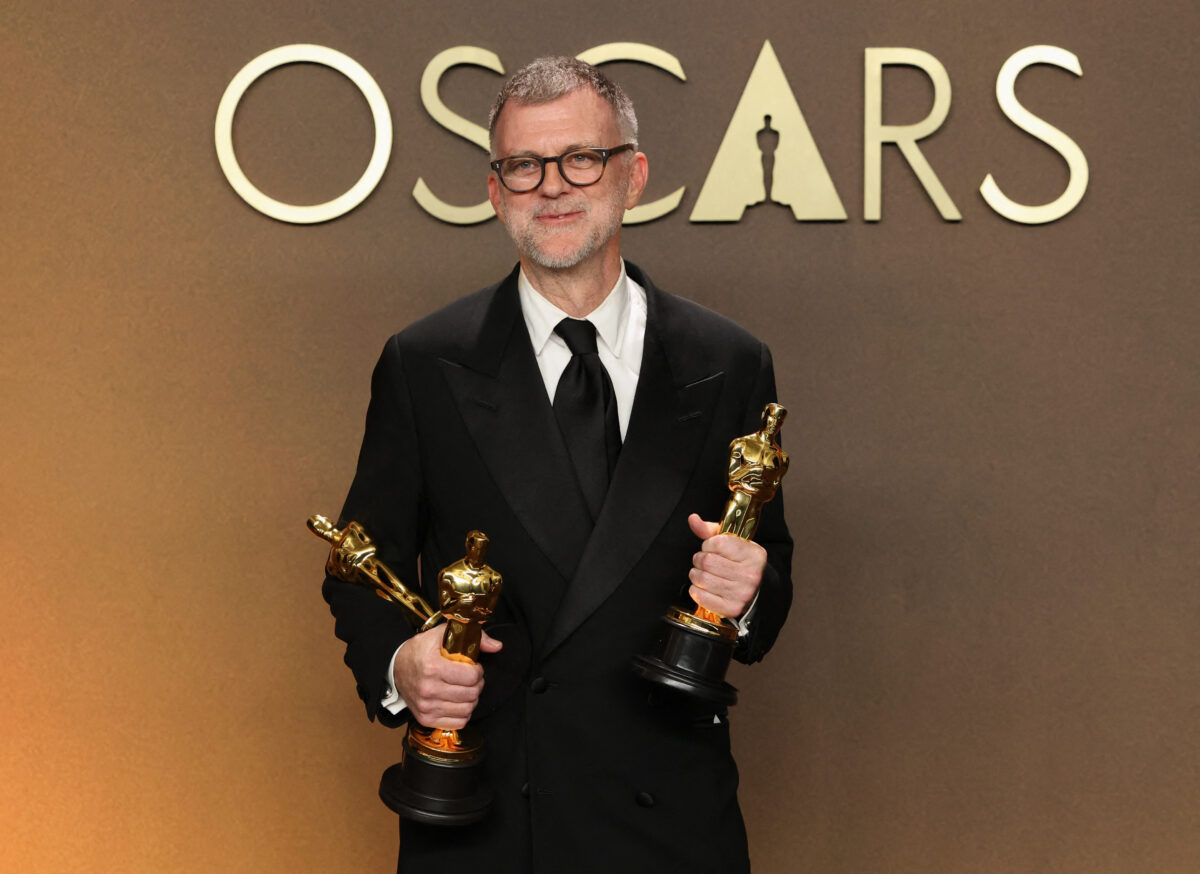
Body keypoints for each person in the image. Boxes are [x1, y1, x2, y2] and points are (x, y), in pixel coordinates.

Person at [322, 56, 793, 874]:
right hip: (493, 826)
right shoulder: (425, 363)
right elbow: (360, 566)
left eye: (582, 158)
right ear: (496, 190)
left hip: (670, 828)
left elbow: (767, 571)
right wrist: (405, 667)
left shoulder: (730, 362)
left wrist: (746, 594)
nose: (553, 186)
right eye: (523, 166)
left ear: (633, 175)